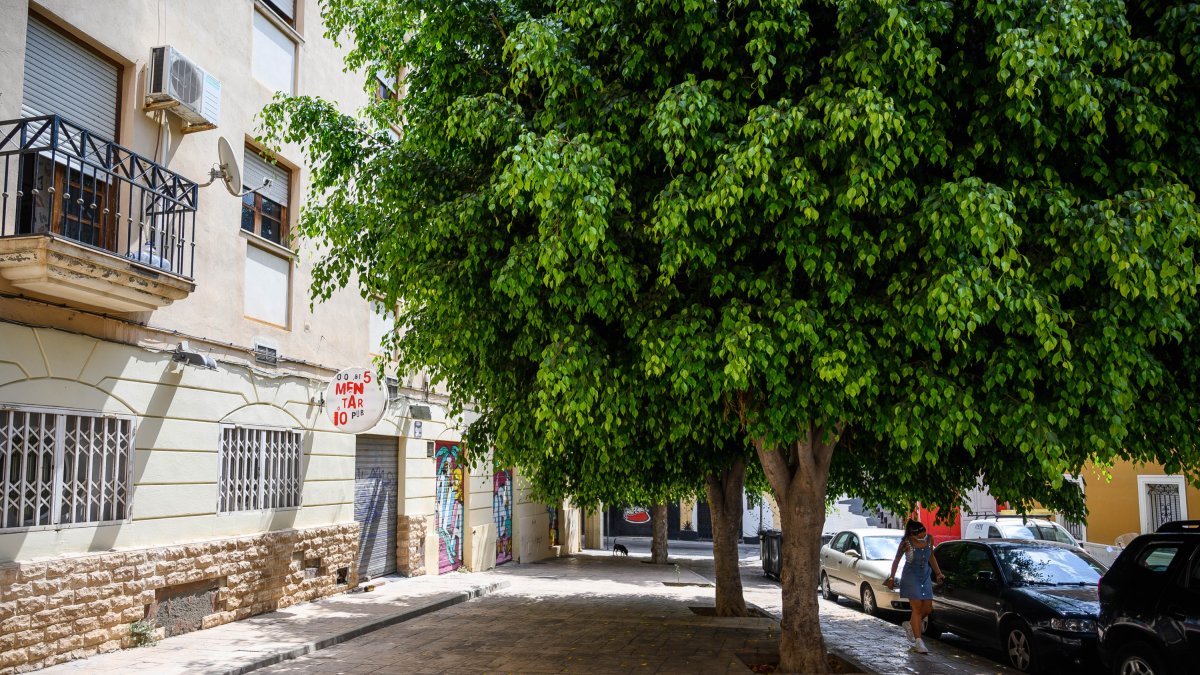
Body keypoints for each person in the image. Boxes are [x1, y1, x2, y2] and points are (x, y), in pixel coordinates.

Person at [886, 519, 945, 654]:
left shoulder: (929, 540)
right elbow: (896, 560)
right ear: (912, 535)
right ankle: (919, 642)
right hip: (911, 576)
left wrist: (938, 573)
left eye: (924, 535)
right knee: (917, 608)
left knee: (927, 608)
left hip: (925, 576)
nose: (923, 538)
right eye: (920, 537)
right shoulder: (906, 543)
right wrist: (891, 577)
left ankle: (910, 624)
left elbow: (931, 557)